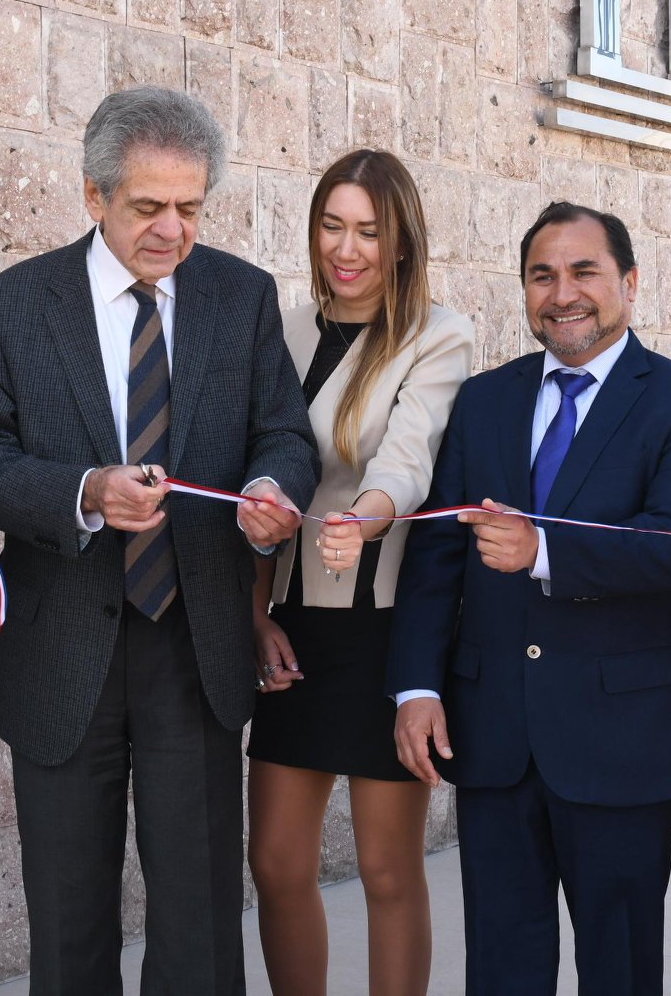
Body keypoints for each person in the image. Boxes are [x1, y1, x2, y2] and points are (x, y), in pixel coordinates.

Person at [0, 85, 319, 996]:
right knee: (68, 915)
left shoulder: (242, 296)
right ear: (92, 195)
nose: (171, 230)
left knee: (198, 917)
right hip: (60, 647)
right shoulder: (11, 307)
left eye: (190, 208)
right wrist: (81, 491)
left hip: (195, 643)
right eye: (148, 206)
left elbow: (283, 432)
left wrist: (273, 486)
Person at [385, 201, 671, 996]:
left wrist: (542, 550)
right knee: (501, 965)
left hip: (621, 743)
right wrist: (417, 685)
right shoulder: (483, 400)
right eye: (542, 275)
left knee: (619, 968)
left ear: (629, 283)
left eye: (583, 272)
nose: (561, 292)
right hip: (494, 734)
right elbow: (436, 553)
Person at [247, 150, 474, 996]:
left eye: (369, 231)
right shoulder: (282, 326)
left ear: (401, 241)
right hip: (292, 623)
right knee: (273, 864)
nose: (347, 249)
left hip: (384, 625)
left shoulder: (438, 334)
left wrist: (366, 515)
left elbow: (408, 458)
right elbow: (256, 470)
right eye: (332, 226)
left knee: (386, 869)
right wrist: (254, 612)